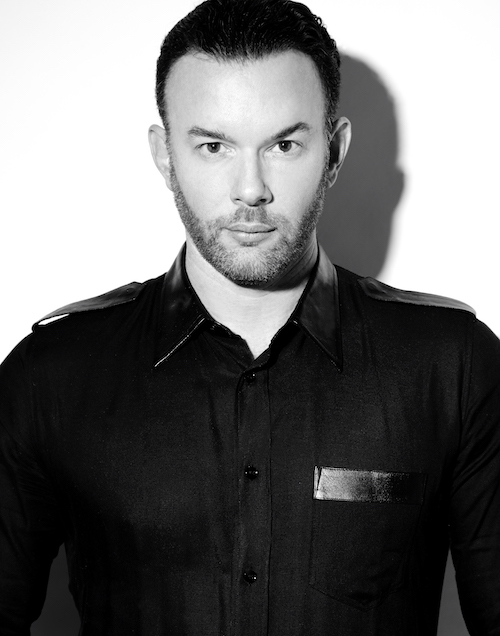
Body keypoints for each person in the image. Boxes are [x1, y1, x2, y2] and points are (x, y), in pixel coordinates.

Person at [1, 0, 499, 634]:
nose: (250, 189)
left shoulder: (453, 366)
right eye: (213, 145)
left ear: (335, 150)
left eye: (285, 144)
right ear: (163, 153)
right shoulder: (51, 375)